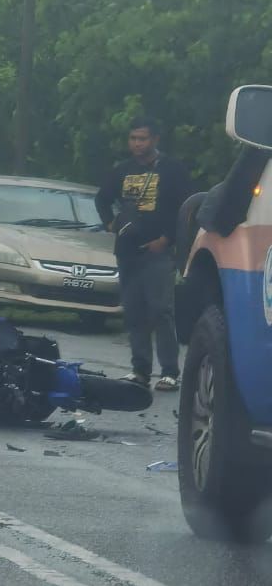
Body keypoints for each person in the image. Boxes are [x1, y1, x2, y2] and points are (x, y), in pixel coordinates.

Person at [96, 116, 193, 392]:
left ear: (155, 140)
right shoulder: (122, 170)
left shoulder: (172, 170)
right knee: (134, 311)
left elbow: (187, 207)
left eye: (143, 139)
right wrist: (110, 222)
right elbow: (102, 198)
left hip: (158, 251)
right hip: (127, 251)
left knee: (161, 310)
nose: (138, 144)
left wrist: (167, 239)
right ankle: (140, 370)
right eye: (134, 139)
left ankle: (170, 372)